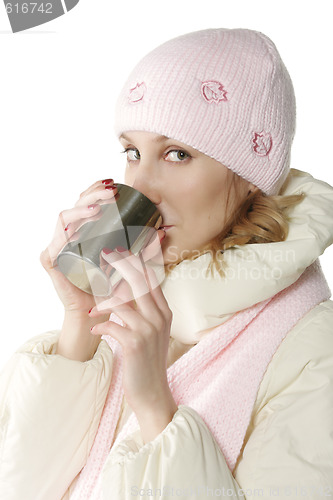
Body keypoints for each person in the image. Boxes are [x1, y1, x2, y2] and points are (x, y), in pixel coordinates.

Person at [0, 28, 332, 500]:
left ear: (252, 177)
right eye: (132, 152)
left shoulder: (314, 349)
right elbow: (20, 486)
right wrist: (81, 322)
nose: (143, 186)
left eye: (178, 153)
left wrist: (156, 404)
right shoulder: (135, 295)